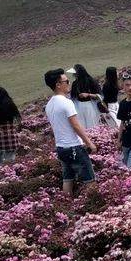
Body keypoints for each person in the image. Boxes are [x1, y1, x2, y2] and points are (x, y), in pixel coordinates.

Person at [44, 68, 97, 196]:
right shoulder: (66, 103)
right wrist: (89, 143)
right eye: (66, 81)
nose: (69, 83)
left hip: (61, 148)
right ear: (58, 85)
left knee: (67, 179)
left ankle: (66, 203)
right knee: (89, 179)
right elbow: (76, 126)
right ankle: (93, 203)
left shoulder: (49, 105)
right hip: (74, 147)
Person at [0, 87, 21, 164]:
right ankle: (11, 171)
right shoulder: (11, 104)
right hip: (11, 132)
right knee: (10, 155)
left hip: (0, 133)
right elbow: (17, 119)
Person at [69, 64, 103, 129]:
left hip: (90, 106)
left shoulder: (90, 81)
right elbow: (73, 97)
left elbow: (99, 95)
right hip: (79, 106)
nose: (73, 75)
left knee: (92, 126)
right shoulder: (75, 83)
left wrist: (88, 94)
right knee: (82, 126)